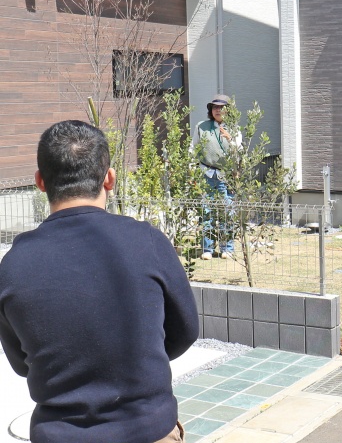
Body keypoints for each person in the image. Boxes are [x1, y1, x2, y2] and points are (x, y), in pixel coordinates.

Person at [0, 120, 199, 443]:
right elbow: (185, 331)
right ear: (109, 178)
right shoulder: (147, 242)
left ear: (40, 181)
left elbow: (22, 363)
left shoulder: (12, 265)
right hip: (147, 428)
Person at [193, 94, 242, 260]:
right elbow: (194, 148)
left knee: (227, 211)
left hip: (225, 175)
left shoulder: (234, 129)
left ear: (229, 110)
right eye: (215, 107)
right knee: (207, 210)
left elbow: (239, 152)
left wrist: (230, 139)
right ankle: (207, 248)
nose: (218, 110)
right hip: (206, 173)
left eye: (222, 107)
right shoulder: (201, 127)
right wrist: (192, 170)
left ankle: (227, 248)